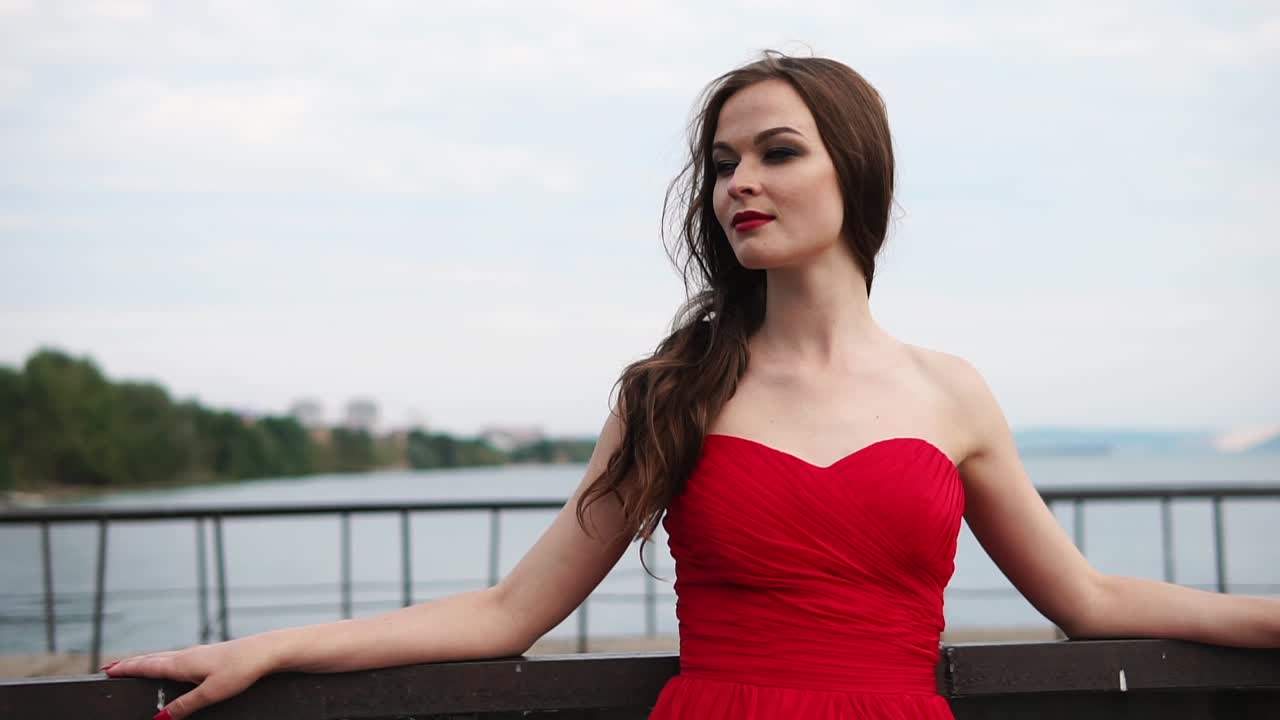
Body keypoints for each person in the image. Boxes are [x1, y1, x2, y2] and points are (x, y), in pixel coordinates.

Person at [105, 52, 1280, 720]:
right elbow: (508, 615)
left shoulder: (950, 392)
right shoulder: (673, 390)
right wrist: (272, 647)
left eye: (776, 152)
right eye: (721, 163)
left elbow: (1084, 598)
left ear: (852, 171)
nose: (737, 184)